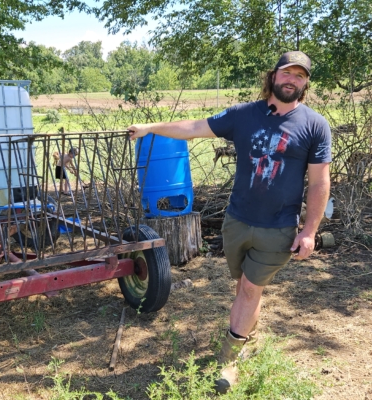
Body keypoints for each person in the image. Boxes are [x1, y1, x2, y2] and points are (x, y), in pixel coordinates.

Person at [127, 51, 332, 393]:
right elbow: (194, 127)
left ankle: (229, 359)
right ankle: (247, 333)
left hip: (278, 227)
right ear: (274, 76)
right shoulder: (243, 115)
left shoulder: (314, 125)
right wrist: (151, 128)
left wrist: (310, 231)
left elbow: (320, 182)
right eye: (286, 73)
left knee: (251, 287)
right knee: (244, 287)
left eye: (299, 75)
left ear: (306, 82)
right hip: (236, 221)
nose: (291, 80)